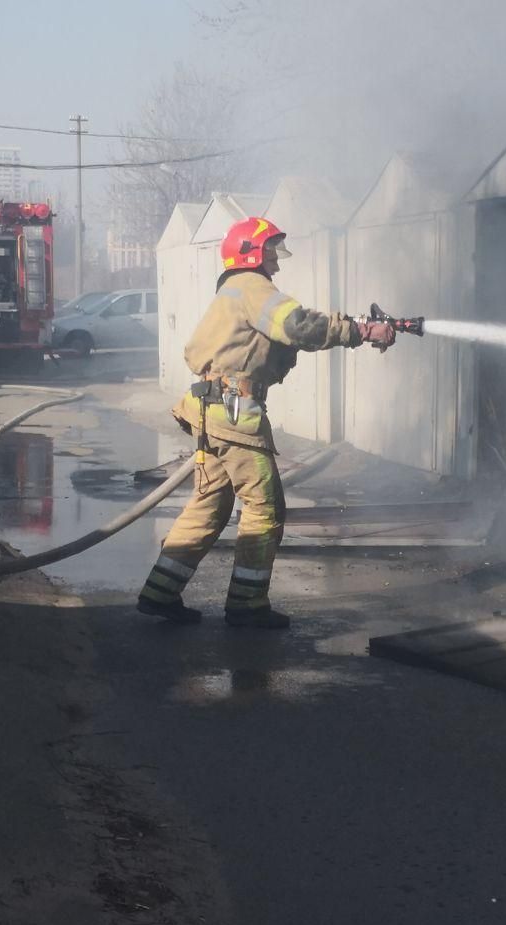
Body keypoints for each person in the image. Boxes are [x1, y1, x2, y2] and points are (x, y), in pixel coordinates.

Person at [138, 217, 399, 629]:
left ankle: (159, 593)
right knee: (265, 507)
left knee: (209, 505)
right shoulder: (253, 287)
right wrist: (361, 330)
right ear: (251, 252)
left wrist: (345, 325)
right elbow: (296, 326)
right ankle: (247, 605)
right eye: (272, 251)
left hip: (211, 411)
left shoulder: (234, 290)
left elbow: (283, 338)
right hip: (234, 416)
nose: (276, 261)